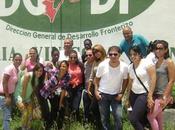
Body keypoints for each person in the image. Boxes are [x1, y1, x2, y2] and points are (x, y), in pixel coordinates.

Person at [94, 46, 128, 130]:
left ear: (119, 55)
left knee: (118, 117)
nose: (113, 56)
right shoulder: (102, 65)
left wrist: (121, 93)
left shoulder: (124, 66)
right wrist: (96, 92)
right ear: (108, 55)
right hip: (103, 95)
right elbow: (96, 79)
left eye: (115, 54)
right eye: (110, 54)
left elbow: (125, 81)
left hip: (116, 95)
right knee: (104, 118)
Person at [147, 40, 175, 130]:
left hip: (162, 95)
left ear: (166, 50)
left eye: (160, 48)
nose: (158, 50)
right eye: (156, 48)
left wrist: (165, 97)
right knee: (158, 117)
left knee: (150, 117)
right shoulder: (154, 62)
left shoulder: (169, 62)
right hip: (154, 94)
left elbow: (171, 80)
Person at [128, 45, 156, 130]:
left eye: (135, 54)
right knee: (141, 119)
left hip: (143, 94)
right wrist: (127, 98)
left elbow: (153, 78)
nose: (132, 56)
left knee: (133, 119)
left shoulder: (146, 63)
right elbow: (130, 82)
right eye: (131, 54)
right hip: (133, 95)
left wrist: (150, 96)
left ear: (140, 54)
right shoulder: (130, 67)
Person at [39, 60, 71, 130]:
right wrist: (46, 80)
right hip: (45, 92)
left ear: (67, 67)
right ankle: (48, 126)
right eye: (61, 66)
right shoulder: (55, 71)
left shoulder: (68, 76)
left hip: (53, 94)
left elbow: (63, 90)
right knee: (51, 110)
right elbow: (45, 69)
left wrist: (60, 103)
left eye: (64, 66)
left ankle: (57, 126)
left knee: (59, 108)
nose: (62, 68)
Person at [15, 63, 45, 130]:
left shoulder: (38, 79)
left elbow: (33, 92)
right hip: (19, 96)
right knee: (25, 113)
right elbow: (24, 89)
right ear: (34, 70)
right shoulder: (28, 75)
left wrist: (34, 103)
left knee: (30, 114)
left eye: (41, 71)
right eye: (38, 70)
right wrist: (23, 101)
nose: (39, 73)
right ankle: (23, 128)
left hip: (27, 97)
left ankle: (28, 128)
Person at [0, 53, 22, 130]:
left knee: (7, 116)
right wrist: (7, 97)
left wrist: (11, 96)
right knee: (7, 117)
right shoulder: (9, 68)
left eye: (20, 60)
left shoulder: (17, 69)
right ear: (13, 60)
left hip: (9, 95)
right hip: (4, 96)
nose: (18, 61)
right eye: (16, 59)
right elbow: (4, 82)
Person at [87, 44, 106, 129]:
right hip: (95, 88)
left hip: (105, 88)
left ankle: (104, 126)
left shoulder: (107, 61)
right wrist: (88, 87)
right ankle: (99, 126)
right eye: (94, 52)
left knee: (102, 109)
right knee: (94, 108)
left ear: (102, 50)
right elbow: (91, 75)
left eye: (97, 51)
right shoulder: (95, 62)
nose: (96, 53)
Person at [67, 50, 84, 121]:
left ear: (77, 57)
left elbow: (82, 75)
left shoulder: (80, 65)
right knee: (69, 104)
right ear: (69, 57)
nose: (73, 59)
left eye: (74, 57)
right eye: (71, 57)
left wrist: (77, 83)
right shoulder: (66, 65)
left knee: (76, 105)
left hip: (78, 87)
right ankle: (71, 120)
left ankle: (76, 118)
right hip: (69, 87)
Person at [82, 49, 94, 125]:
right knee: (86, 108)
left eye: (90, 55)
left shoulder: (97, 64)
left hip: (94, 90)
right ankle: (86, 123)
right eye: (87, 55)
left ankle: (95, 123)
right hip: (86, 90)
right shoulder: (85, 64)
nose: (88, 56)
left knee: (93, 108)